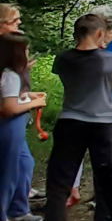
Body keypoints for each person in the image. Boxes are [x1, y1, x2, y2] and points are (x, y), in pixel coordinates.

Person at [44, 14, 112, 221]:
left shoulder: (62, 58)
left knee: (59, 181)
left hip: (69, 120)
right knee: (107, 180)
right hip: (104, 123)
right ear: (100, 33)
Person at [67, 5, 112, 208]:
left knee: (107, 155)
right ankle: (74, 189)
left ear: (106, 21)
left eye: (94, 17)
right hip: (86, 102)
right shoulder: (85, 39)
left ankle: (104, 198)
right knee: (77, 150)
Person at [1, 34, 46, 221]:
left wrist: (28, 97)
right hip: (9, 128)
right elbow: (9, 108)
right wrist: (35, 103)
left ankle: (18, 210)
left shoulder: (5, 73)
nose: (28, 54)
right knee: (7, 176)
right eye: (26, 51)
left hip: (11, 129)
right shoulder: (11, 76)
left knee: (22, 165)